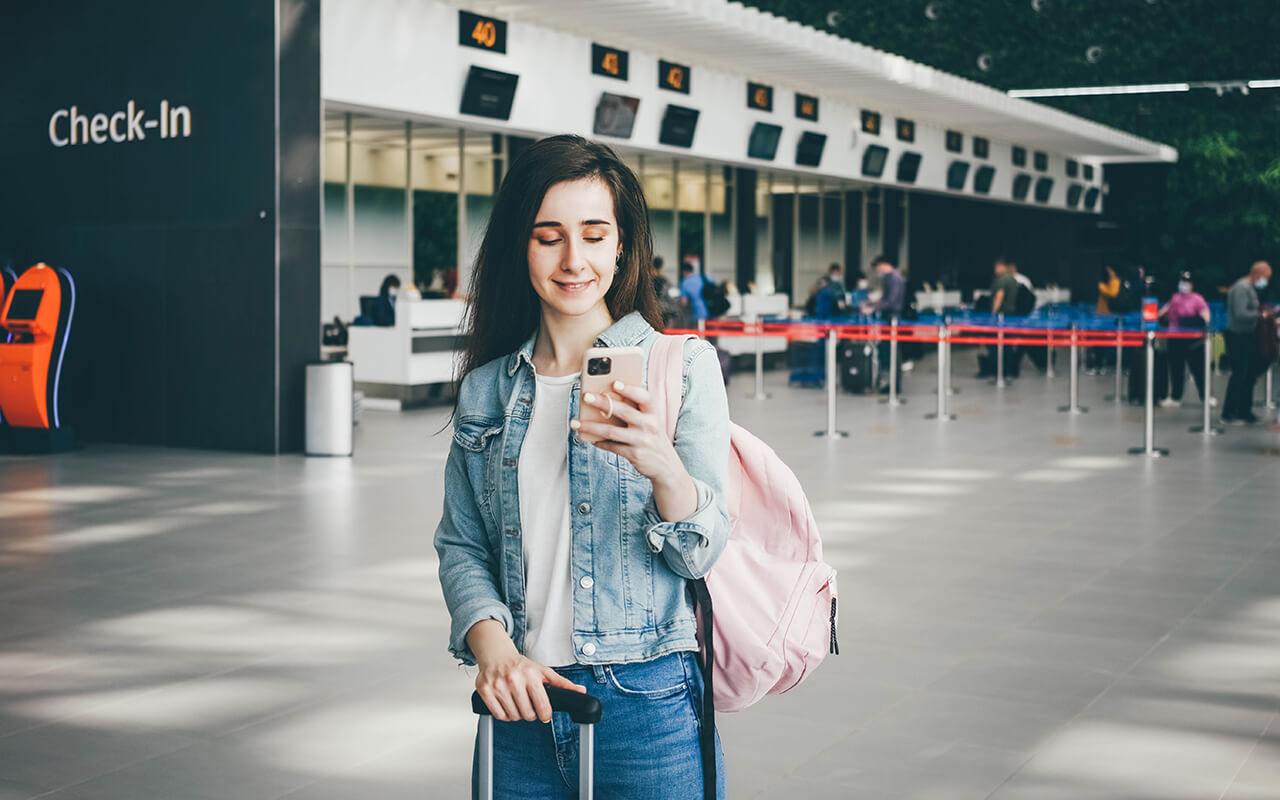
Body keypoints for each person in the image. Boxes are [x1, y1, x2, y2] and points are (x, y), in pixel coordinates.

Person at [433, 134, 730, 799]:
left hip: (646, 698)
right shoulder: (486, 389)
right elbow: (461, 544)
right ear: (521, 245)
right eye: (549, 236)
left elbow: (701, 554)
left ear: (621, 245)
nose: (574, 260)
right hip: (519, 699)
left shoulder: (681, 367)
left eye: (594, 235)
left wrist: (664, 470)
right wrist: (494, 652)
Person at [1222, 260, 1272, 424]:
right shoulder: (1241, 288)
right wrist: (1260, 315)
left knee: (1249, 373)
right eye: (1265, 277)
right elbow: (1240, 313)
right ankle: (1229, 412)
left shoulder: (1249, 288)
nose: (1266, 281)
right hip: (1237, 335)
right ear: (1257, 275)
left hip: (1247, 335)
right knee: (1240, 373)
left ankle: (1244, 410)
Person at [1158, 271, 1212, 408]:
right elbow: (1161, 313)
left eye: (1186, 283)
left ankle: (1205, 396)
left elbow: (1206, 317)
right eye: (1182, 282)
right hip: (1175, 338)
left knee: (1199, 370)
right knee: (1176, 369)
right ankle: (1176, 396)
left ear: (1192, 285)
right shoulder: (1175, 298)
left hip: (1193, 340)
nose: (1183, 285)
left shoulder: (1198, 299)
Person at [862, 255, 904, 392]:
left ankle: (894, 386)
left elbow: (891, 302)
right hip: (889, 318)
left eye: (878, 267)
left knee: (892, 352)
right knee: (890, 352)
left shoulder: (894, 278)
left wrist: (873, 308)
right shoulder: (891, 278)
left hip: (893, 319)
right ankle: (891, 384)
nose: (877, 270)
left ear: (884, 264)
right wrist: (873, 303)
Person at [978, 258, 1021, 378]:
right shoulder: (1012, 279)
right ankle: (1008, 371)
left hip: (1000, 317)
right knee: (1008, 346)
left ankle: (996, 371)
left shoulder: (1001, 279)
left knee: (995, 346)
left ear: (1000, 266)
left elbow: (999, 296)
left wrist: (993, 312)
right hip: (1011, 317)